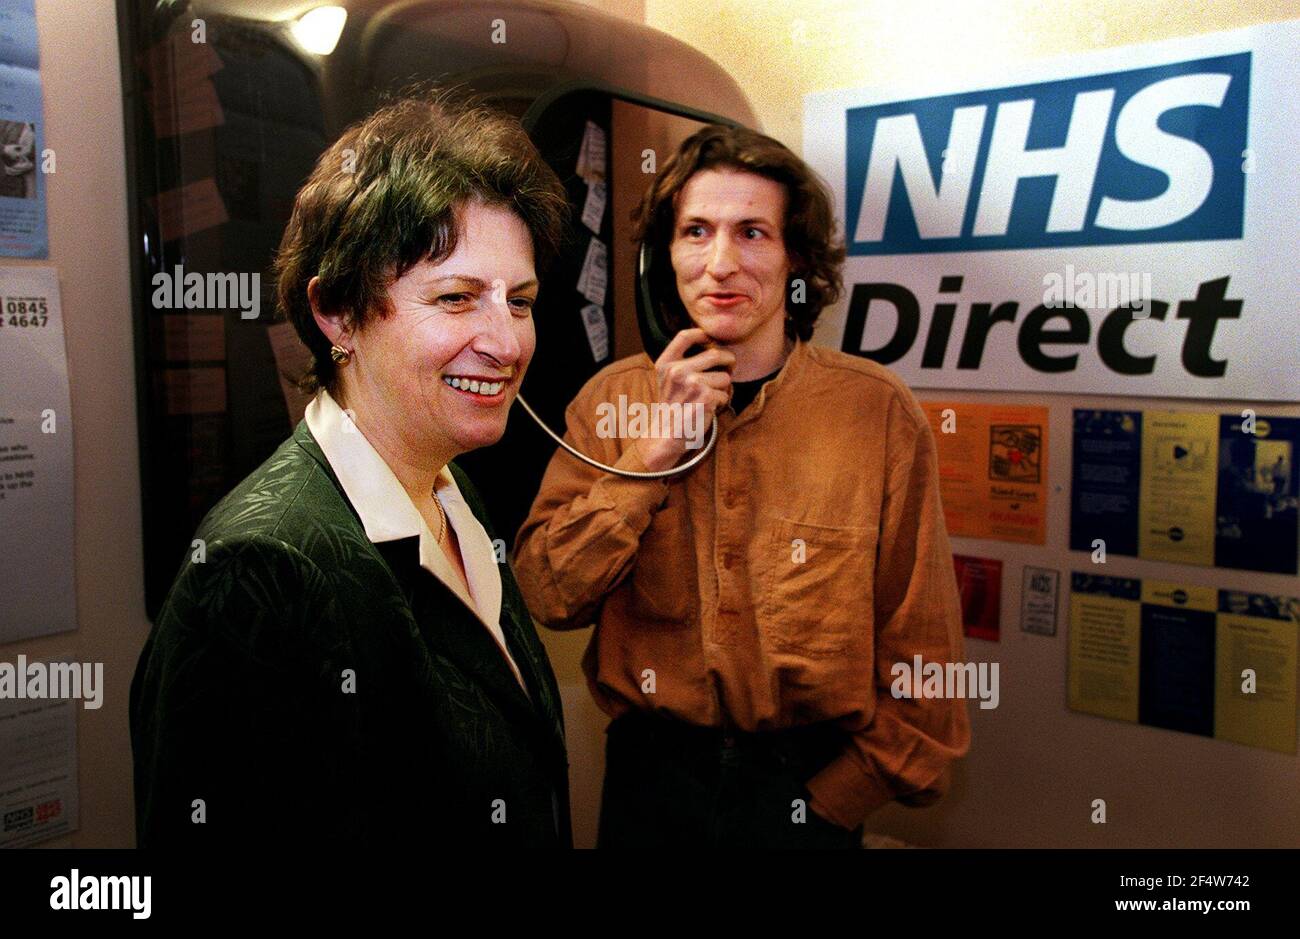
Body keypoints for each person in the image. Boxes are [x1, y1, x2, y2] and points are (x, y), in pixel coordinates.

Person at [130, 91, 573, 848]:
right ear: (338, 311)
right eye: (457, 297)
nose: (507, 342)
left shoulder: (449, 484)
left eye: (521, 301)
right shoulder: (260, 567)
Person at [513, 123, 971, 848]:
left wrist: (828, 804)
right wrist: (652, 451)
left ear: (796, 258)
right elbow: (547, 592)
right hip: (649, 790)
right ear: (666, 253)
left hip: (805, 791)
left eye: (752, 232)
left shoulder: (877, 413)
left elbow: (927, 663)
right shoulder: (609, 400)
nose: (720, 263)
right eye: (696, 231)